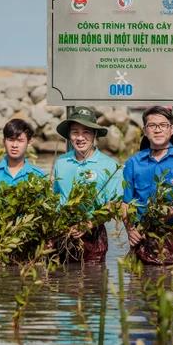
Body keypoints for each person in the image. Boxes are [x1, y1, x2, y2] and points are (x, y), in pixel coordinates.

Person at [123, 106, 173, 265]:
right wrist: (130, 230)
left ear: (172, 129)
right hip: (144, 235)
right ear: (145, 130)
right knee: (140, 286)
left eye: (163, 125)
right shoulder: (133, 163)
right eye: (152, 126)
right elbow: (125, 203)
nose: (157, 130)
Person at [53, 107, 123, 262]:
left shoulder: (110, 165)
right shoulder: (61, 162)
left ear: (95, 135)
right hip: (64, 232)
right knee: (62, 280)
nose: (80, 138)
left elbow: (115, 204)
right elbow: (55, 199)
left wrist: (89, 223)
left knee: (94, 281)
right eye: (75, 132)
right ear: (69, 136)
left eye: (86, 132)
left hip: (94, 233)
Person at [0, 118, 46, 197]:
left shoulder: (39, 176)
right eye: (11, 140)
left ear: (29, 142)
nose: (14, 145)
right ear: (4, 141)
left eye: (20, 140)